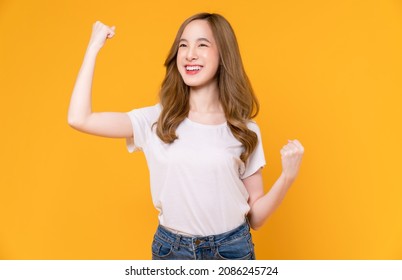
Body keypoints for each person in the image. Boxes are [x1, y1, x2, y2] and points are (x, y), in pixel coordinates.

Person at [68, 13, 304, 260]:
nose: (190, 53)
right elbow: (79, 118)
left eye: (202, 44)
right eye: (183, 45)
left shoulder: (244, 128)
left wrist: (287, 177)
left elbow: (256, 217)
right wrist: (94, 47)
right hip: (172, 252)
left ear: (223, 54)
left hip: (232, 250)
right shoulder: (156, 120)